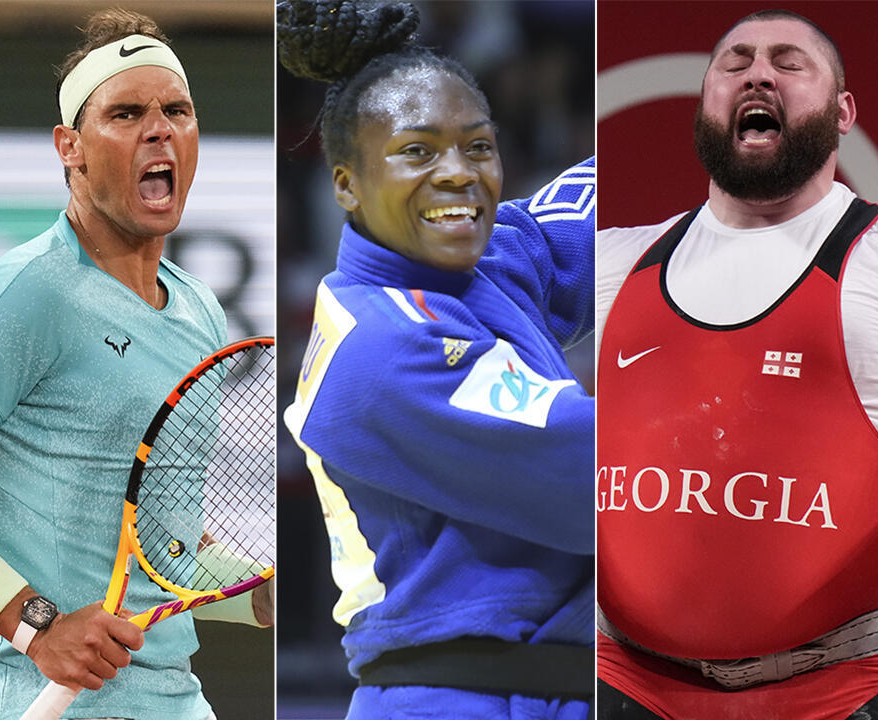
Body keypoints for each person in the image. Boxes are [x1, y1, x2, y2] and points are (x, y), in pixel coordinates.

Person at [278, 1, 595, 718]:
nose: (458, 174)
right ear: (346, 185)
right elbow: (600, 477)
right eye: (417, 152)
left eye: (478, 147)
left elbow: (602, 201)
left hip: (549, 689)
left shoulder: (483, 264)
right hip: (458, 700)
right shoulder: (382, 350)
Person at [596, 9, 878, 720]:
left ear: (843, 114)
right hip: (624, 682)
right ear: (706, 104)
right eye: (734, 62)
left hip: (843, 690)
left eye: (788, 62)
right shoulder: (612, 264)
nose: (759, 73)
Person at [0, 9, 272, 720]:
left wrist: (254, 593)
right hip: (43, 701)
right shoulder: (26, 293)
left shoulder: (200, 313)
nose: (159, 129)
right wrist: (33, 625)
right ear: (69, 147)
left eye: (177, 111)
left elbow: (159, 549)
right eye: (126, 113)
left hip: (178, 702)